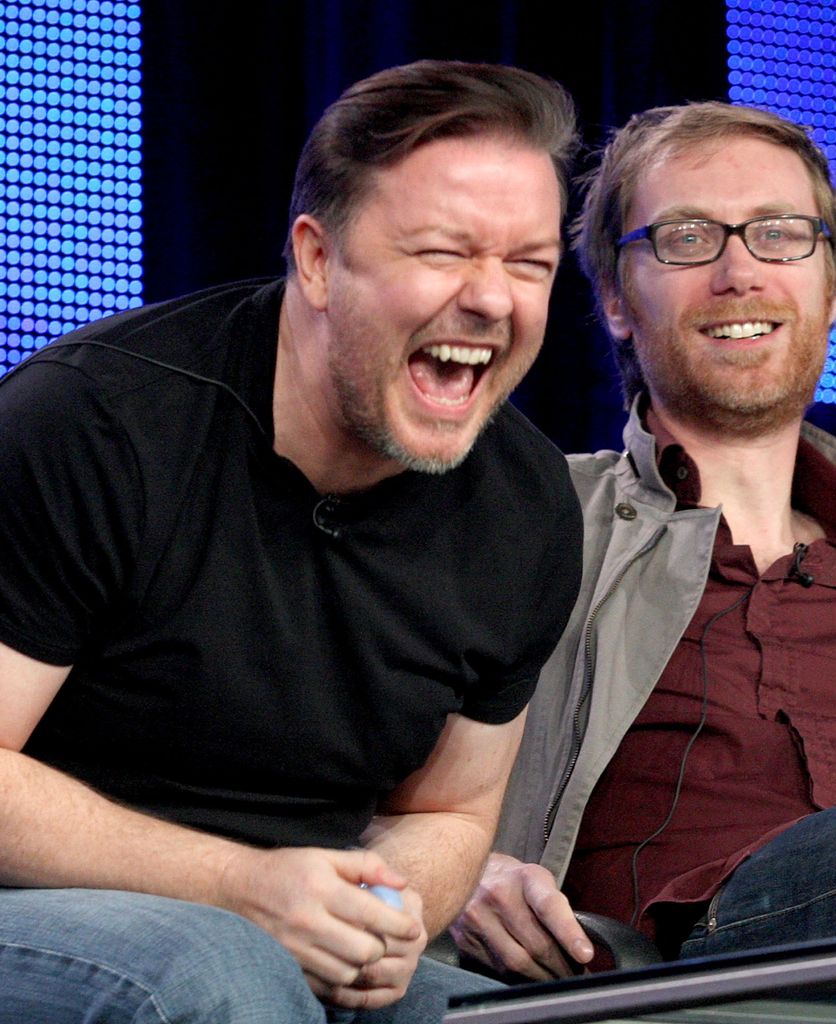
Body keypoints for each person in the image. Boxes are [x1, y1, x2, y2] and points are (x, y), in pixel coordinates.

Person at [0, 60, 584, 1022]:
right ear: (316, 259)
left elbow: (447, 812)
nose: (493, 300)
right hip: (39, 905)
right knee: (223, 974)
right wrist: (239, 887)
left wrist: (386, 918)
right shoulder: (96, 421)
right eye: (444, 252)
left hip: (274, 932)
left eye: (529, 265)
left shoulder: (526, 508)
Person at [450, 101, 836, 981]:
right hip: (669, 965)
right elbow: (307, 772)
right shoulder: (521, 522)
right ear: (612, 297)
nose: (739, 272)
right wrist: (446, 873)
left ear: (832, 291)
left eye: (780, 235)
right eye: (686, 238)